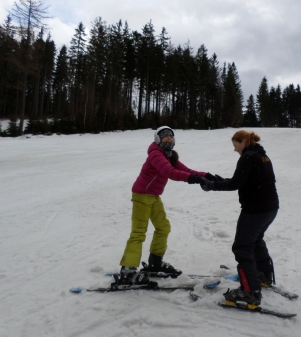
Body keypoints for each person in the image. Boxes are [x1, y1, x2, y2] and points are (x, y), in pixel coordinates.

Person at [118, 126, 213, 286]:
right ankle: (127, 272)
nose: (168, 138)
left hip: (153, 196)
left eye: (171, 136)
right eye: (164, 136)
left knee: (163, 227)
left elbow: (186, 170)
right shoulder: (156, 154)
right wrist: (194, 179)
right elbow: (170, 172)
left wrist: (207, 176)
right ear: (157, 139)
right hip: (142, 196)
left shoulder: (168, 155)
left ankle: (155, 263)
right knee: (138, 233)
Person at [200, 130, 279, 307]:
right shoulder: (261, 156)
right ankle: (263, 276)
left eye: (235, 145)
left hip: (255, 211)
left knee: (242, 248)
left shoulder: (248, 157)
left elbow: (235, 184)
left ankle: (250, 292)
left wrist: (211, 185)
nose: (235, 150)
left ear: (243, 142)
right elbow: (242, 180)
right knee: (256, 240)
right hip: (270, 209)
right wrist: (216, 179)